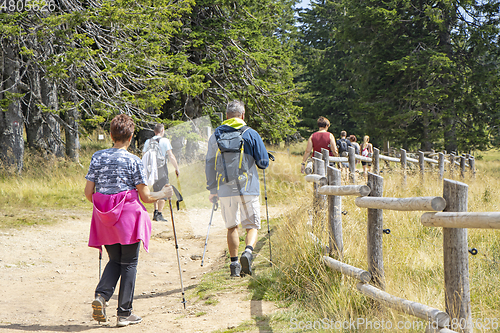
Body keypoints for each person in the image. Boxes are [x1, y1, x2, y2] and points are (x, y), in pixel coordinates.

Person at [85, 114, 173, 327]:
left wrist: (106, 206)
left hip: (105, 218)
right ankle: (124, 313)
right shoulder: (134, 161)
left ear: (111, 135)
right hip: (128, 217)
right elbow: (145, 197)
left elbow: (89, 192)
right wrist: (164, 193)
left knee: (115, 260)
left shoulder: (97, 157)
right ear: (131, 137)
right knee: (130, 262)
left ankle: (102, 296)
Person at [205, 100, 269, 277]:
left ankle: (234, 266)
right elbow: (263, 163)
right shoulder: (251, 133)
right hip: (248, 187)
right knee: (252, 226)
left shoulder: (216, 135)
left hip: (224, 188)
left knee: (232, 227)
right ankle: (247, 253)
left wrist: (212, 189)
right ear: (243, 115)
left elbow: (209, 163)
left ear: (226, 116)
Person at [142, 124, 180, 222]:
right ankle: (159, 213)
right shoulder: (165, 141)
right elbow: (170, 155)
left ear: (154, 131)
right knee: (165, 189)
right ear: (162, 130)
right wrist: (176, 168)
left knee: (155, 189)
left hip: (151, 169)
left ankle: (155, 212)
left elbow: (143, 155)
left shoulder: (148, 141)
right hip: (162, 168)